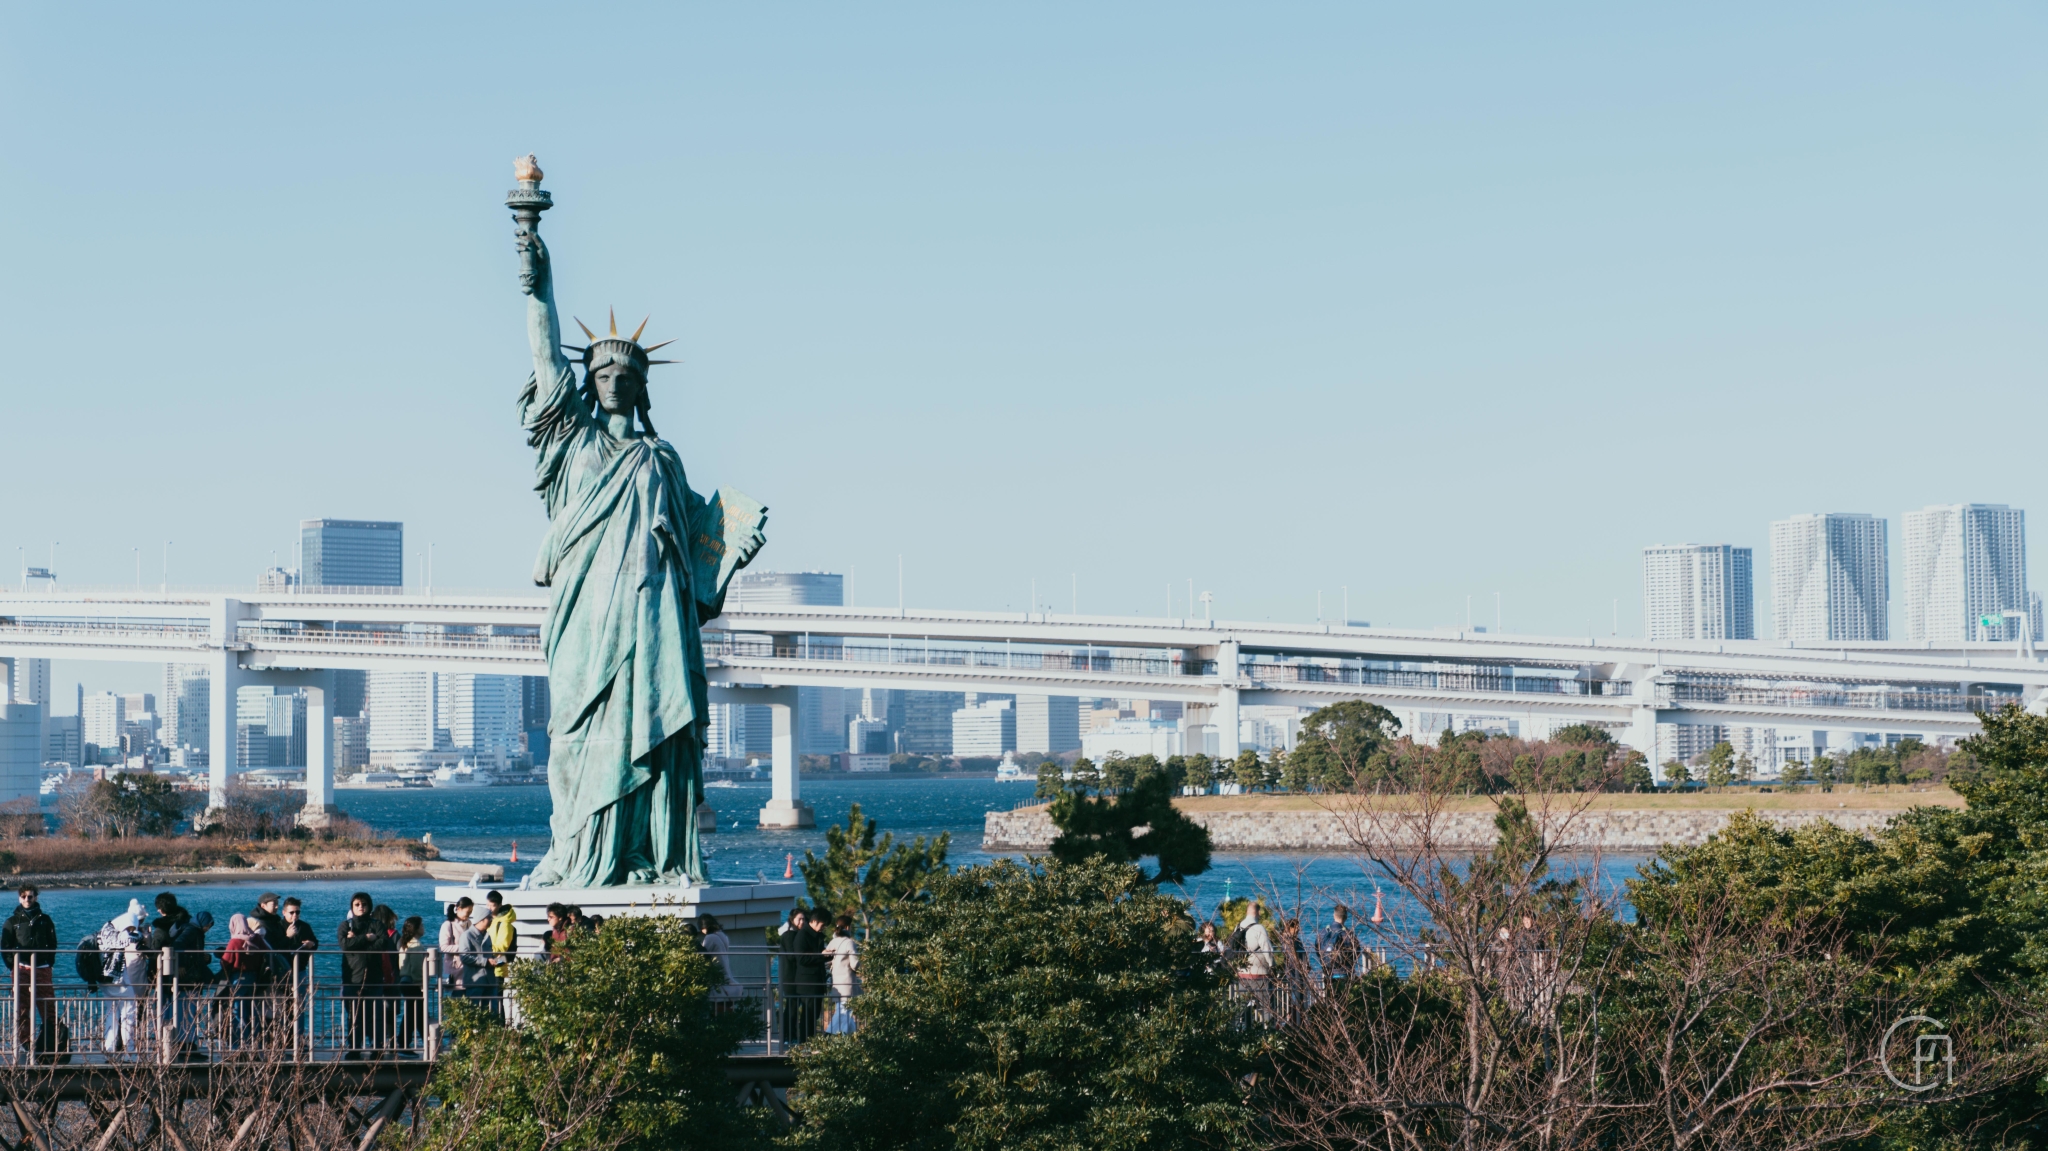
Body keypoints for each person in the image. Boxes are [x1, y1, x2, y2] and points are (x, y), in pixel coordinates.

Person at [4, 887, 57, 1062]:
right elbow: (5, 947)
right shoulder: (12, 922)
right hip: (21, 969)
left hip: (42, 968)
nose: (27, 899)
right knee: (22, 1008)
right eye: (24, 896)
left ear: (35, 897)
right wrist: (14, 967)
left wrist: (49, 963)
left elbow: (53, 943)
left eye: (30, 896)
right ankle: (26, 1044)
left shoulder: (45, 920)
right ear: (19, 898)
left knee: (48, 1007)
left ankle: (49, 1045)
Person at [99, 899, 149, 1055]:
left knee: (111, 1012)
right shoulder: (129, 923)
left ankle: (110, 1048)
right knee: (129, 1011)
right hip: (118, 976)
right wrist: (142, 936)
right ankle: (130, 1050)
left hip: (105, 974)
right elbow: (128, 938)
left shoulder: (108, 927)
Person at [217, 913, 273, 1052]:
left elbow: (226, 961)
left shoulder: (234, 942)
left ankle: (238, 1044)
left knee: (238, 1010)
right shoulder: (257, 938)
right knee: (252, 1010)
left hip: (238, 978)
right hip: (254, 977)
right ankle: (256, 1042)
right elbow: (266, 953)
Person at [338, 892, 382, 1059]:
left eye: (364, 903)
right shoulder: (346, 925)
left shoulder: (377, 924)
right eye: (357, 904)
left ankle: (377, 1049)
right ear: (352, 907)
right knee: (354, 1017)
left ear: (369, 906)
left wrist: (358, 942)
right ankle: (354, 1049)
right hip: (352, 980)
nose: (361, 907)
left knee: (375, 1016)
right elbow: (345, 945)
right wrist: (366, 938)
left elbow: (383, 943)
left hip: (374, 977)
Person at [396, 916, 428, 1056]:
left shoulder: (404, 942)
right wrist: (422, 983)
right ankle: (404, 1044)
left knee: (416, 1013)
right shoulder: (416, 945)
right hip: (412, 982)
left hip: (404, 980)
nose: (423, 927)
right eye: (422, 925)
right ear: (416, 928)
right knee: (413, 1013)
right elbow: (416, 968)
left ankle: (426, 1041)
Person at [824, 916, 859, 1033]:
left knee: (844, 1012)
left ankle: (854, 1038)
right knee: (844, 1012)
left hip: (836, 983)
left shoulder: (832, 942)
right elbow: (855, 964)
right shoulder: (849, 943)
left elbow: (827, 960)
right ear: (848, 927)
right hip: (847, 984)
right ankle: (828, 1035)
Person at [1315, 904, 1361, 988]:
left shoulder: (1323, 932)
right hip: (1345, 973)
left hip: (1329, 973)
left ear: (1334, 915)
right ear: (1346, 917)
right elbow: (1357, 952)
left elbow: (1317, 950)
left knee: (1330, 998)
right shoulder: (1348, 934)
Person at [698, 915, 741, 1001]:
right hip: (726, 974)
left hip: (717, 977)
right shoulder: (722, 935)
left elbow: (703, 954)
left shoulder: (710, 938)